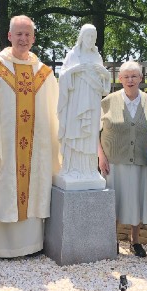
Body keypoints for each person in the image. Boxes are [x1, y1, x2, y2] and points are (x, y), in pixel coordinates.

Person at [0, 15, 60, 258]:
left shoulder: (43, 72)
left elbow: (54, 109)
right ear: (9, 36)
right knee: (6, 188)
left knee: (34, 187)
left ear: (33, 38)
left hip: (37, 147)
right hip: (6, 146)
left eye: (27, 34)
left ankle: (32, 245)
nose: (23, 39)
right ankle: (3, 246)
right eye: (18, 34)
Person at [98, 61, 147, 257]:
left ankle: (135, 240)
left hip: (139, 161)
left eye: (134, 76)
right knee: (113, 201)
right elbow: (95, 132)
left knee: (136, 201)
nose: (130, 80)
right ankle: (110, 240)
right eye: (126, 76)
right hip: (113, 161)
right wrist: (101, 156)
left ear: (141, 78)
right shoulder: (108, 101)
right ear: (119, 79)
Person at [55, 24, 110, 189]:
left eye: (93, 37)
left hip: (92, 101)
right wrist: (76, 70)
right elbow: (63, 76)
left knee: (90, 135)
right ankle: (71, 168)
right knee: (75, 133)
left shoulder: (97, 57)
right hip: (75, 102)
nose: (91, 40)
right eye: (88, 36)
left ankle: (88, 170)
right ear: (82, 37)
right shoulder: (73, 55)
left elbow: (104, 84)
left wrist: (105, 74)